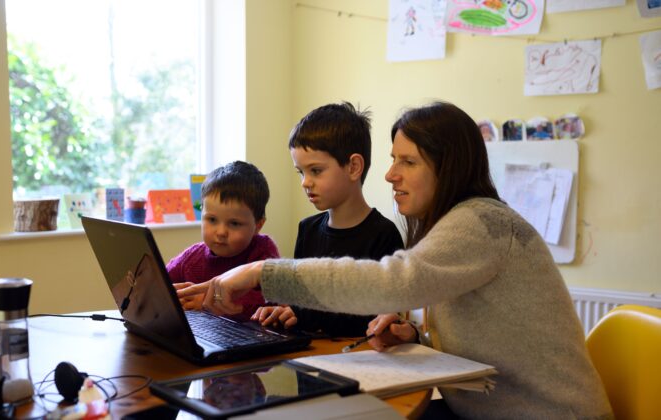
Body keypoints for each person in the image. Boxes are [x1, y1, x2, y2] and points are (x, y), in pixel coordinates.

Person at [178, 101, 613, 419]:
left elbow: (392, 282)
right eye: (392, 160)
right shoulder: (452, 226)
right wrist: (416, 334)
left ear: (447, 168)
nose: (389, 175)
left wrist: (260, 271)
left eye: (407, 161)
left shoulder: (481, 222)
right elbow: (480, 334)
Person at [251, 102, 404, 337]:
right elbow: (298, 301)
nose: (305, 182)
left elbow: (376, 318)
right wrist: (282, 311)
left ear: (353, 167)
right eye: (301, 172)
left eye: (316, 171)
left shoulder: (384, 235)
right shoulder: (307, 229)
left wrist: (305, 315)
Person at [167, 160, 279, 322]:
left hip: (247, 339)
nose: (220, 232)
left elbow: (269, 300)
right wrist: (168, 296)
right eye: (212, 220)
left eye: (234, 223)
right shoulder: (192, 256)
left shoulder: (263, 253)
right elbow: (159, 281)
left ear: (258, 225)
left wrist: (209, 301)